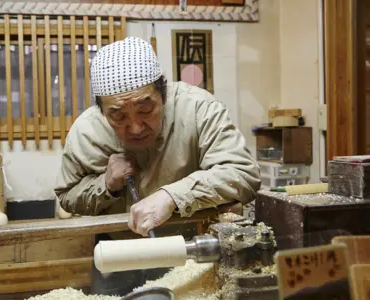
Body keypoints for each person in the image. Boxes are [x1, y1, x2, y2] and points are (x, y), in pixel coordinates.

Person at [54, 36, 260, 296]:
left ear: (163, 90)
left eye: (145, 109)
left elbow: (243, 173)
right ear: (101, 109)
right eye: (118, 116)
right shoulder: (87, 131)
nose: (136, 127)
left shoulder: (198, 109)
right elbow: (67, 196)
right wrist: (106, 185)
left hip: (188, 249)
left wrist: (173, 195)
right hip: (117, 252)